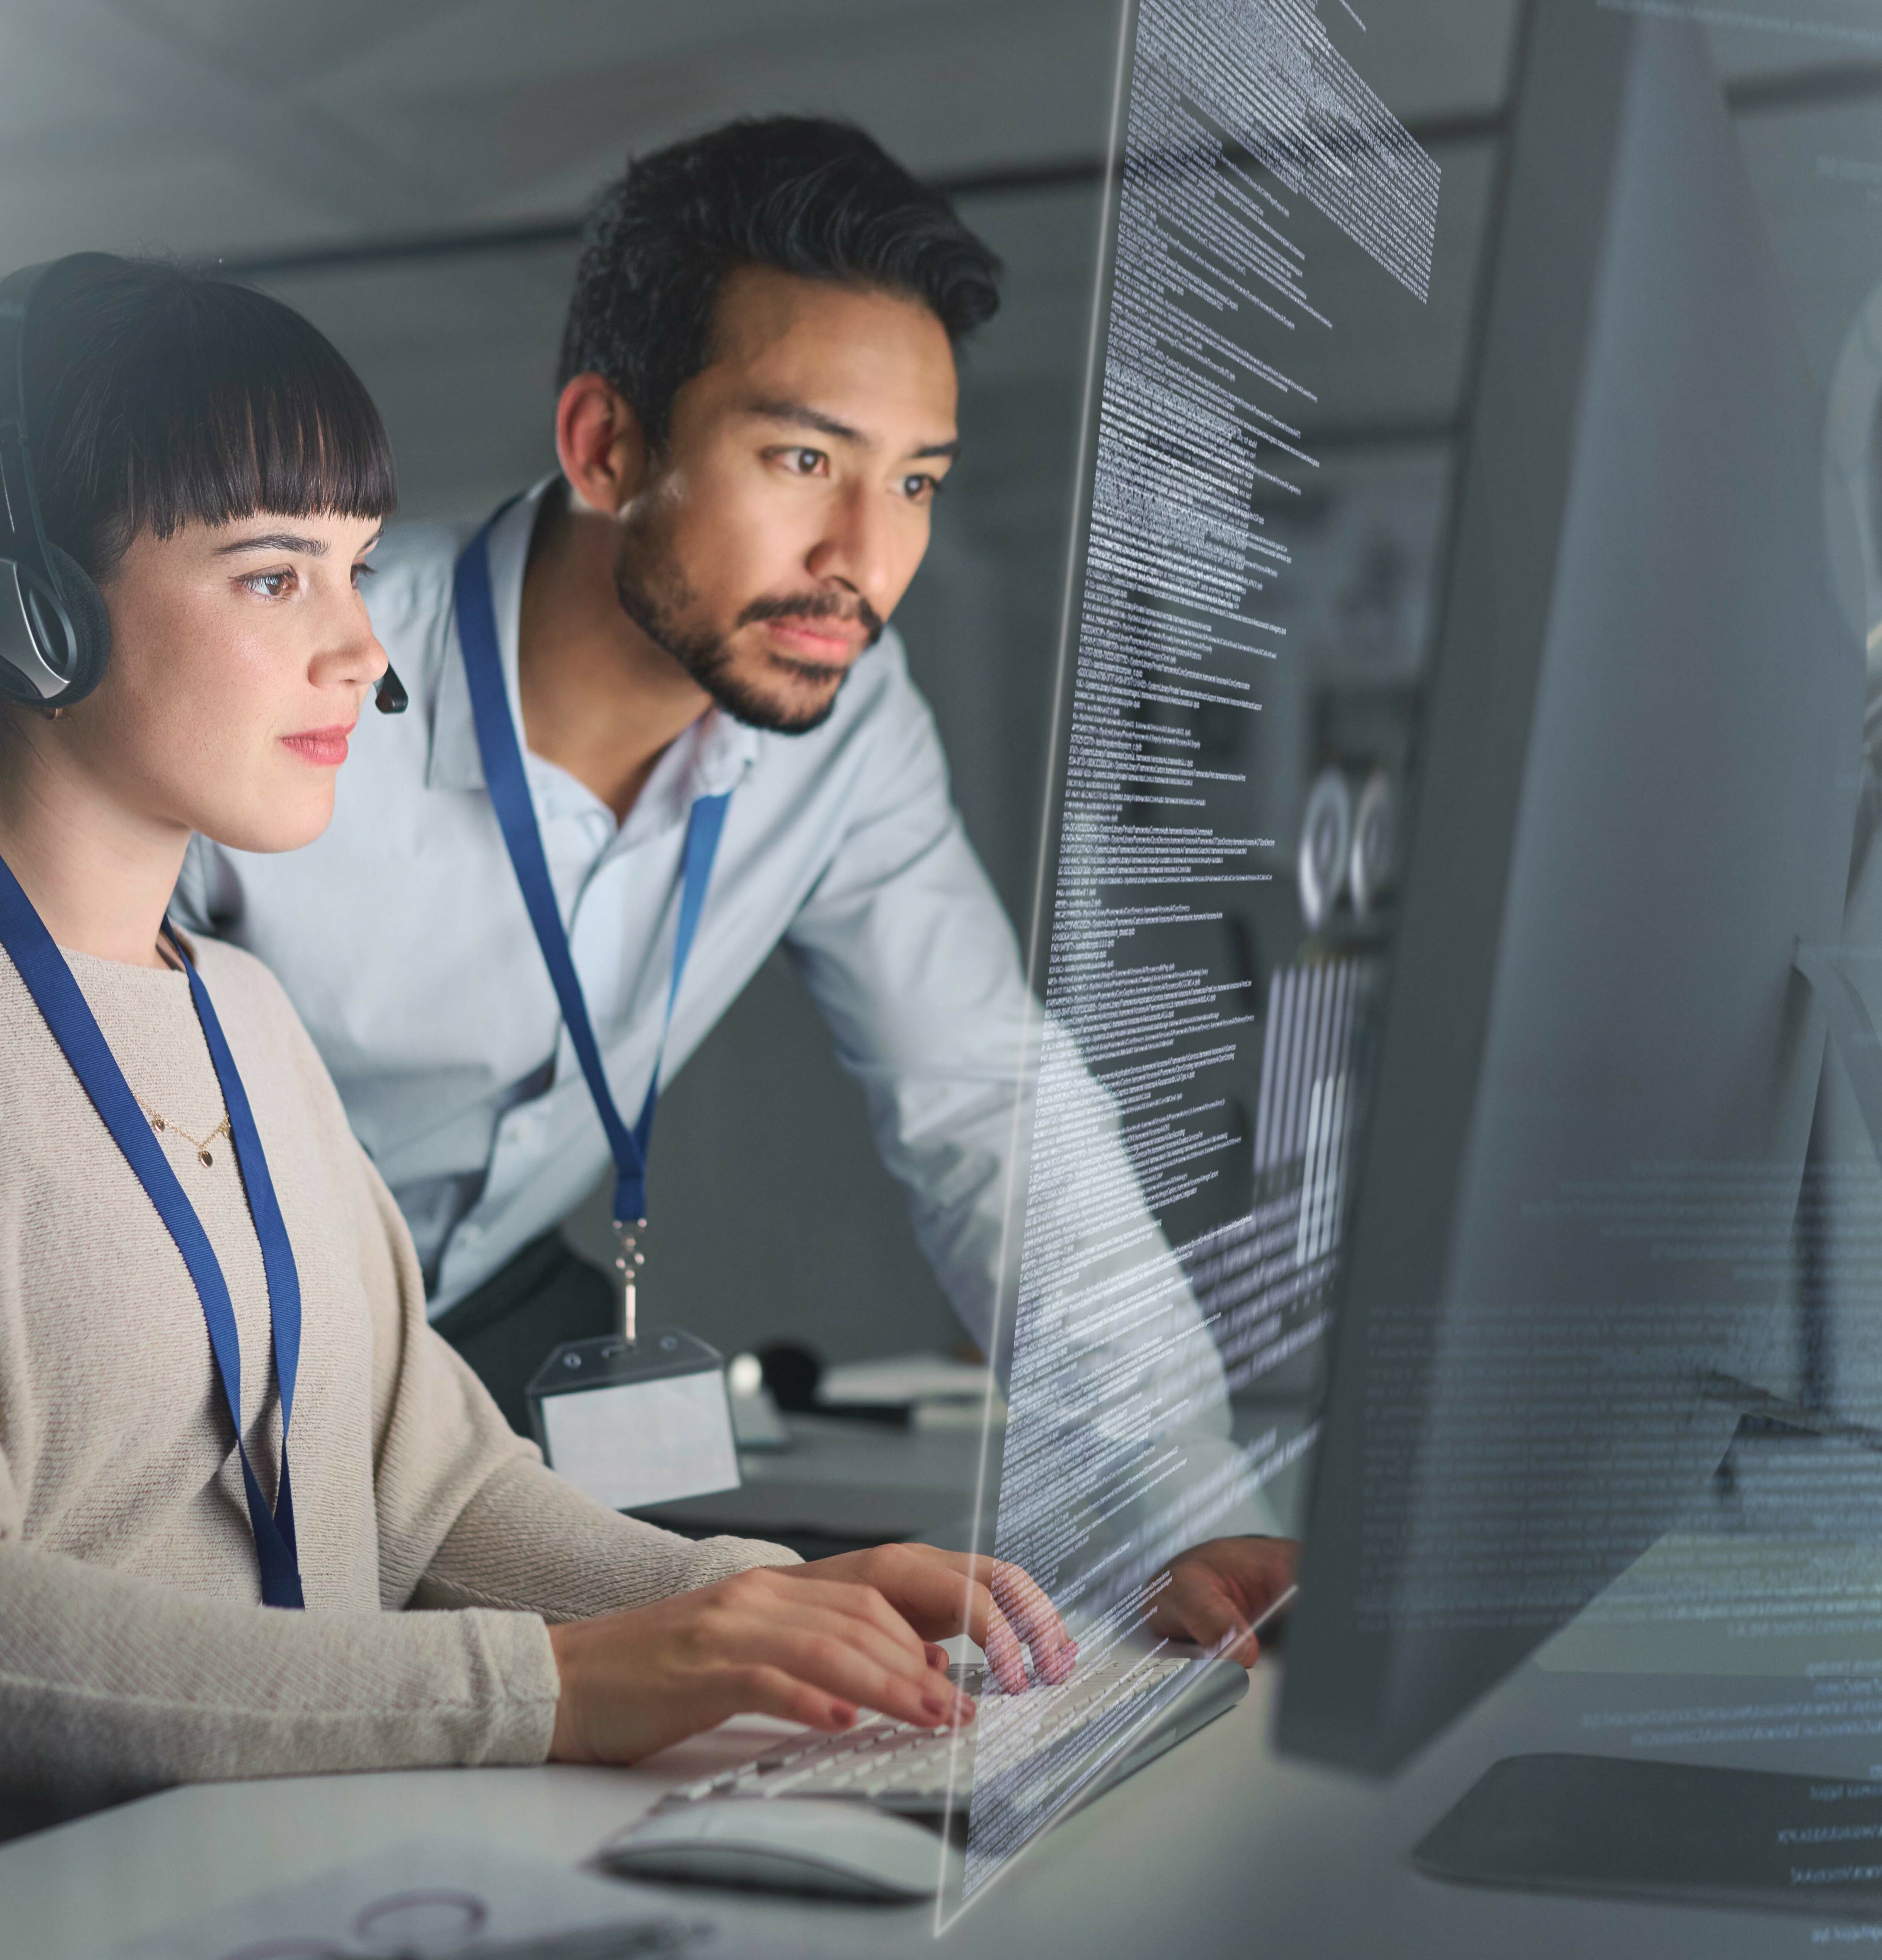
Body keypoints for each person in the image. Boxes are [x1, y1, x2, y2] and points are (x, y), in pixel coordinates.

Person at [0, 254, 1074, 1952]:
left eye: (356, 570)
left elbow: (433, 1489)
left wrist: (755, 1601)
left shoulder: (243, 1011)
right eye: (276, 576)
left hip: (223, 1865)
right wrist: (558, 1686)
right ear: (33, 617)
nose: (361, 650)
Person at [176, 119, 1298, 1656]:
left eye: (916, 480)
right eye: (803, 460)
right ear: (606, 447)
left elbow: (988, 1100)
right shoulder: (296, 675)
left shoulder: (850, 719)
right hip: (204, 1339)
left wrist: (1184, 1499)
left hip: (487, 1319)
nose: (865, 559)